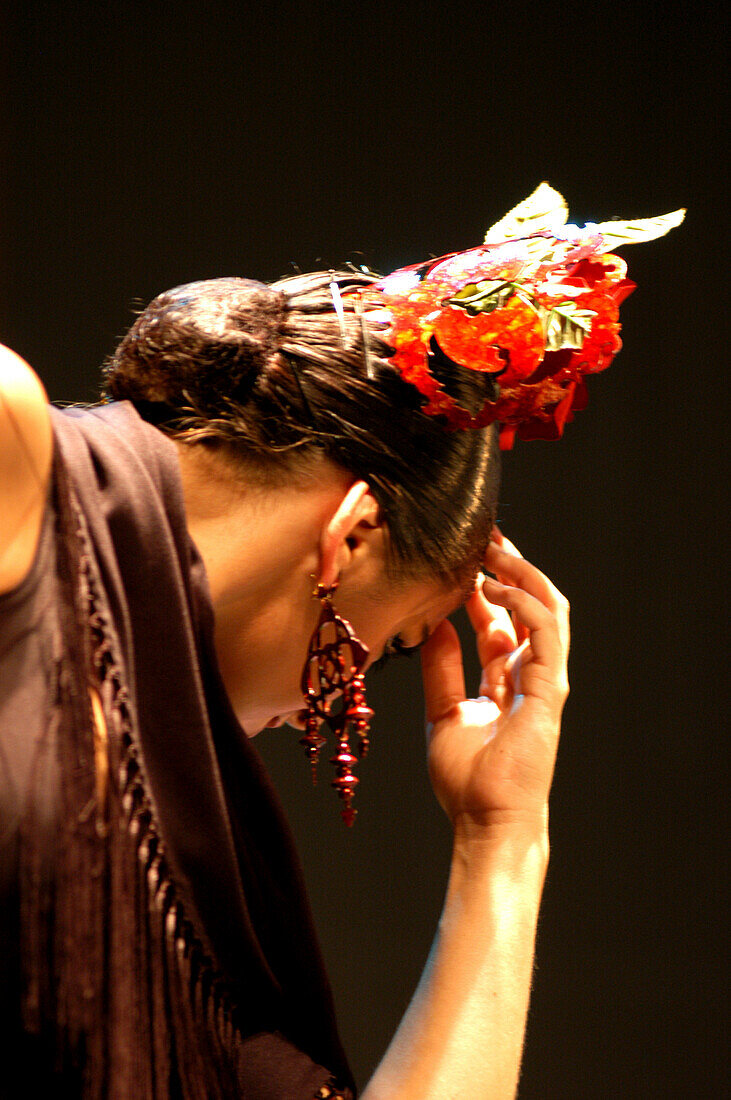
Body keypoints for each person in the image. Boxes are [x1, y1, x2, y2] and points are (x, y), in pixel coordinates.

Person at [0, 185, 683, 1098]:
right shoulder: (13, 457)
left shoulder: (194, 909)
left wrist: (501, 841)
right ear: (353, 534)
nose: (322, 703)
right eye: (393, 643)